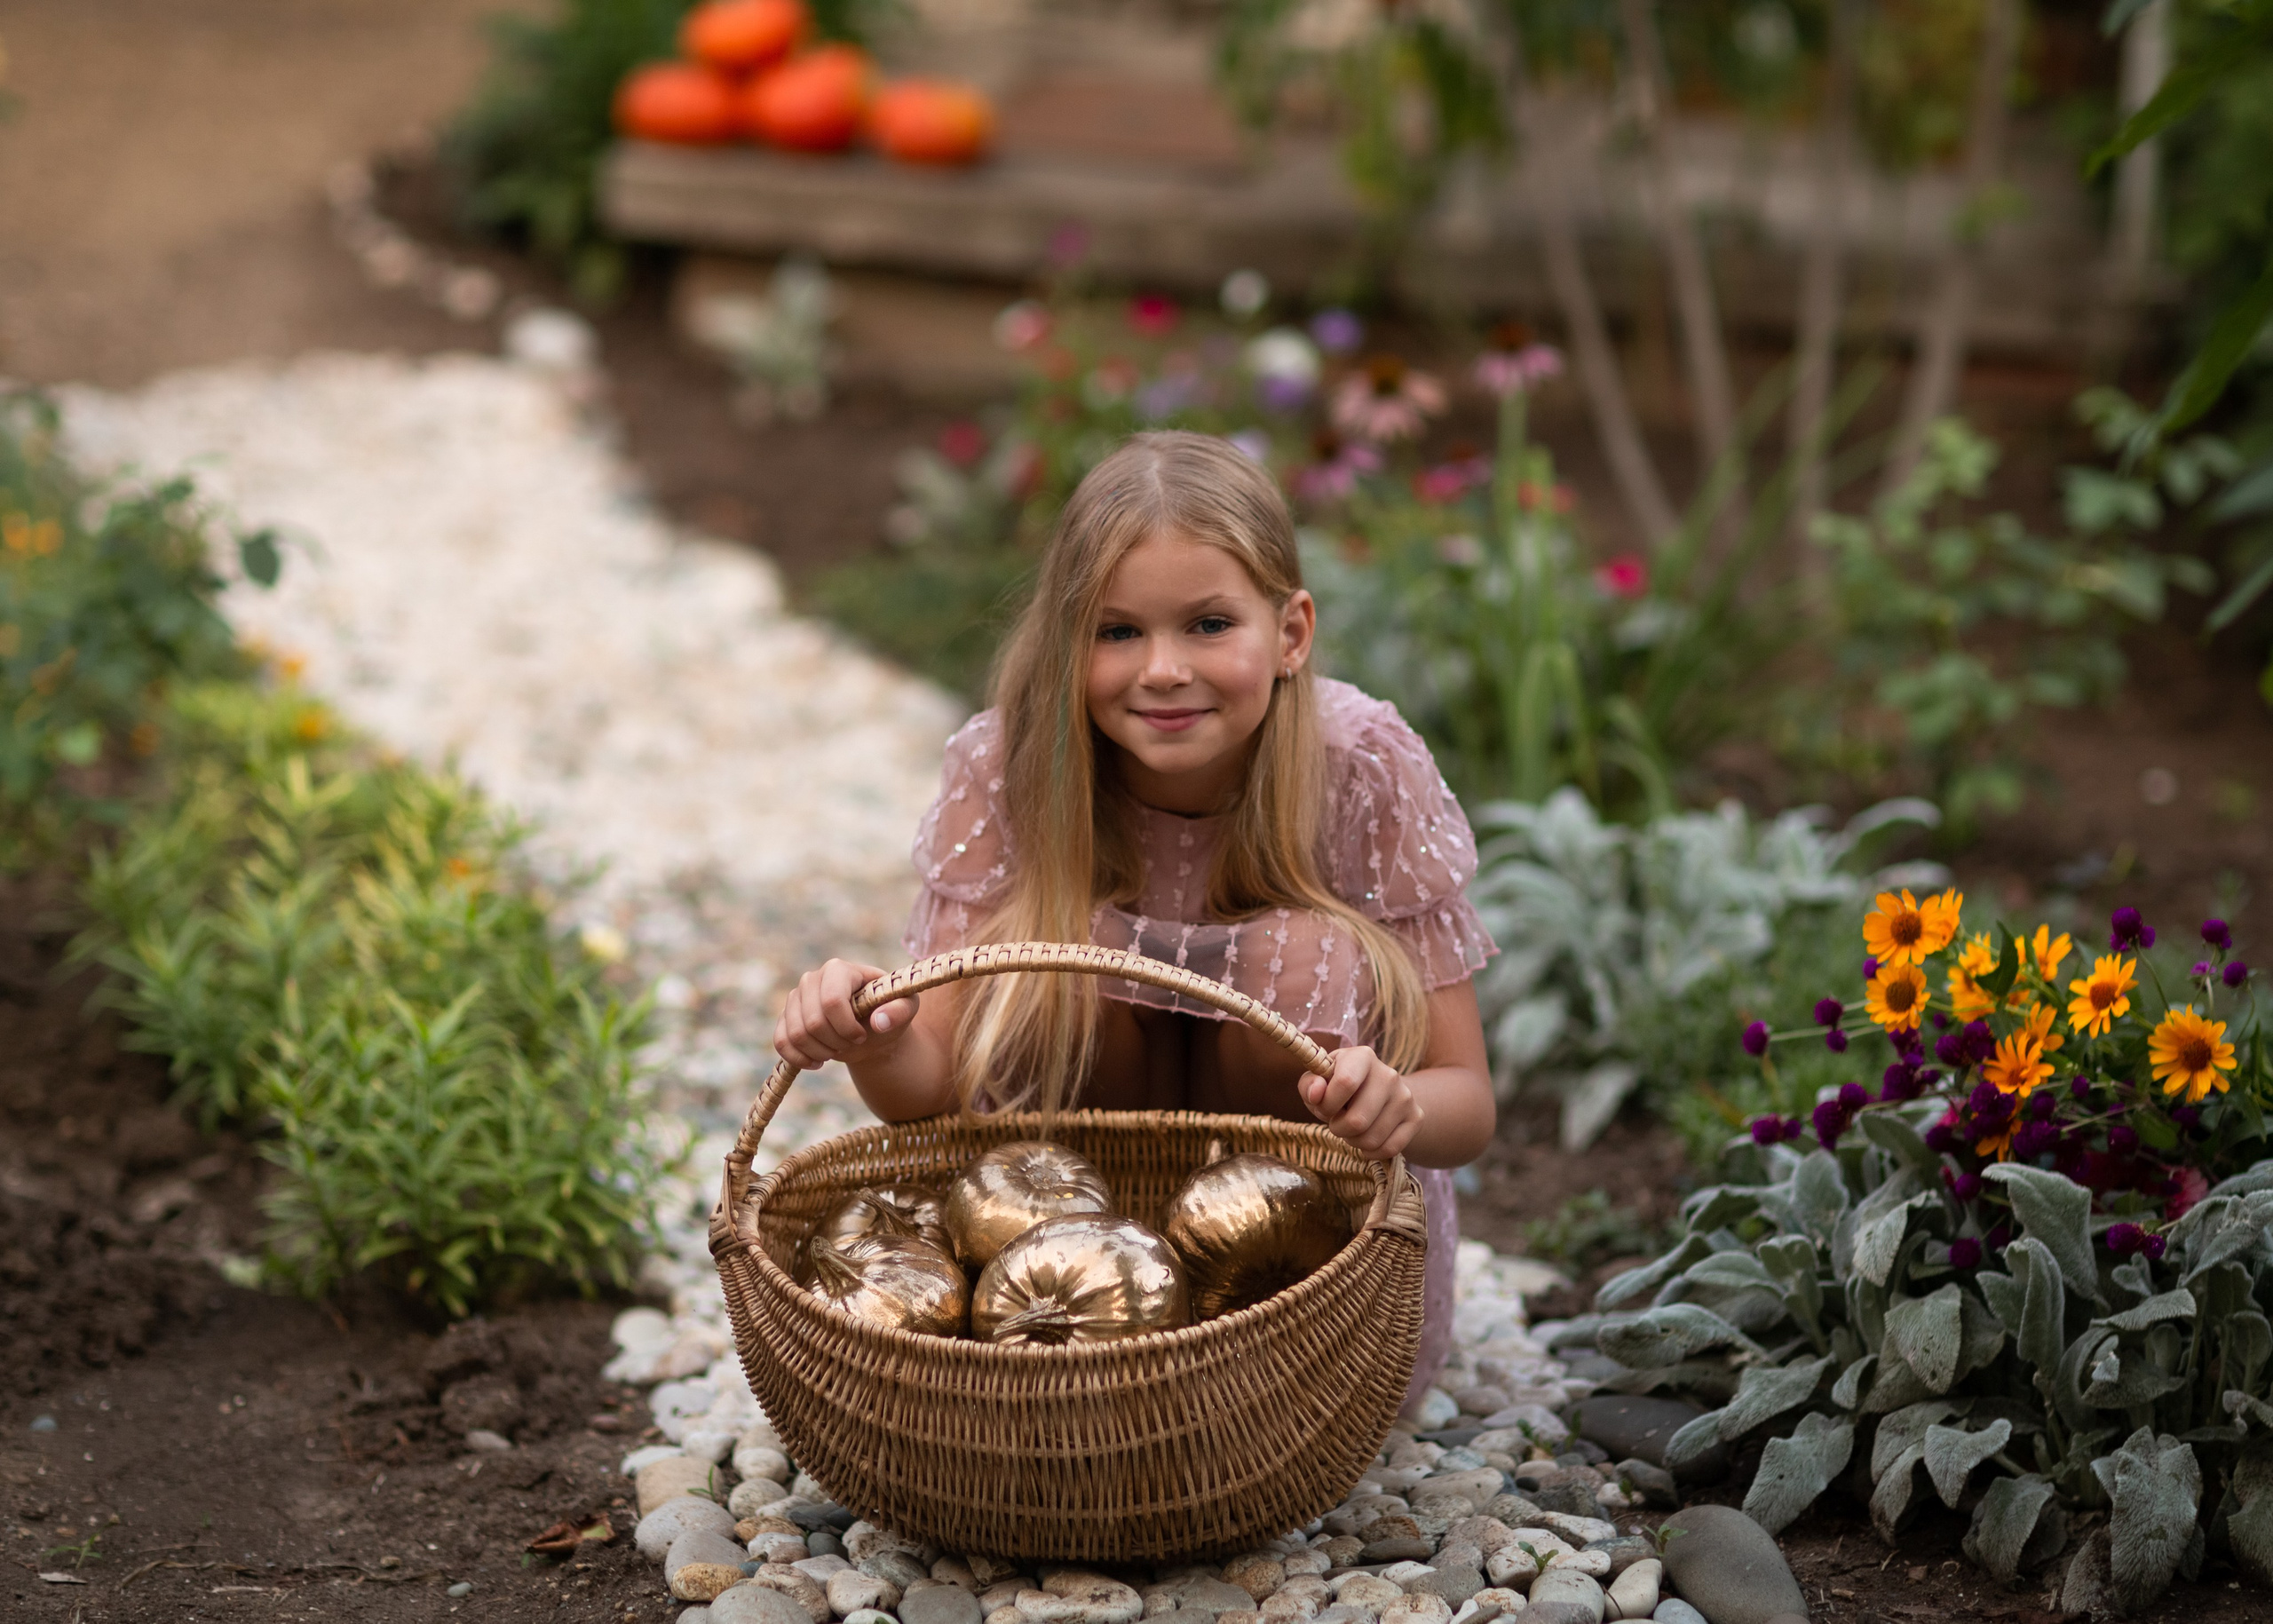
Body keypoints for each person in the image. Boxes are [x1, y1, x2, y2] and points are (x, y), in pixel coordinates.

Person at [773, 429, 1498, 1406]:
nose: (1161, 669)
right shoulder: (1011, 766)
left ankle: (1262, 1336)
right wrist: (865, 1035)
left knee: (1296, 956)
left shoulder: (1359, 765)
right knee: (1057, 954)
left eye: (1207, 624)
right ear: (1067, 639)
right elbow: (928, 1084)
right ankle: (1116, 1330)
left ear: (1290, 632)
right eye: (1117, 632)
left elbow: (1469, 1101)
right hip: (1067, 1284)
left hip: (1291, 1265)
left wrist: (1398, 1106)